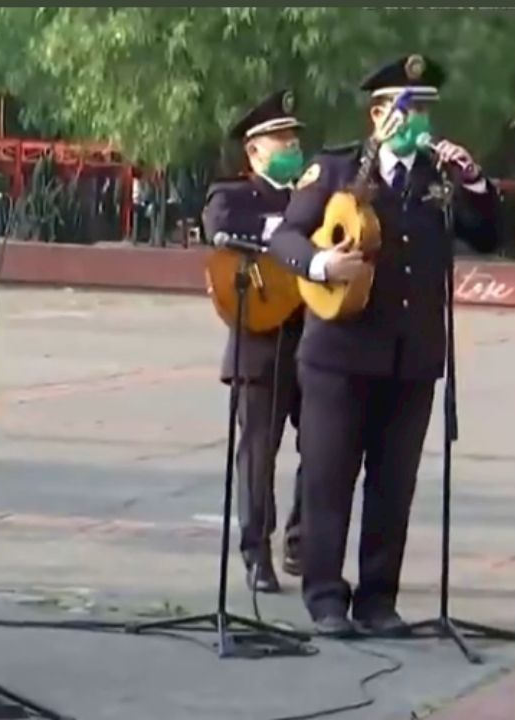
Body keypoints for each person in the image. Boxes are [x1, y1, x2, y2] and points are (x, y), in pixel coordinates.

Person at [270, 55, 500, 638]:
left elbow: (487, 235)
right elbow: (287, 238)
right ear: (379, 114)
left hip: (412, 356)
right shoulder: (338, 168)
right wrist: (322, 263)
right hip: (339, 355)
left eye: (425, 109)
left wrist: (474, 181)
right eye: (409, 108)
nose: (420, 120)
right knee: (328, 477)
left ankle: (378, 600)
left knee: (393, 486)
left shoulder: (438, 180)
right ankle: (325, 597)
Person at [203, 90, 307, 594]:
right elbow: (221, 230)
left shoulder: (316, 200)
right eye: (280, 140)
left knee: (327, 449)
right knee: (259, 455)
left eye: (294, 139)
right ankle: (255, 550)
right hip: (261, 344)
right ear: (255, 152)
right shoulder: (234, 196)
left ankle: (302, 540)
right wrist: (287, 234)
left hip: (316, 342)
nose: (292, 147)